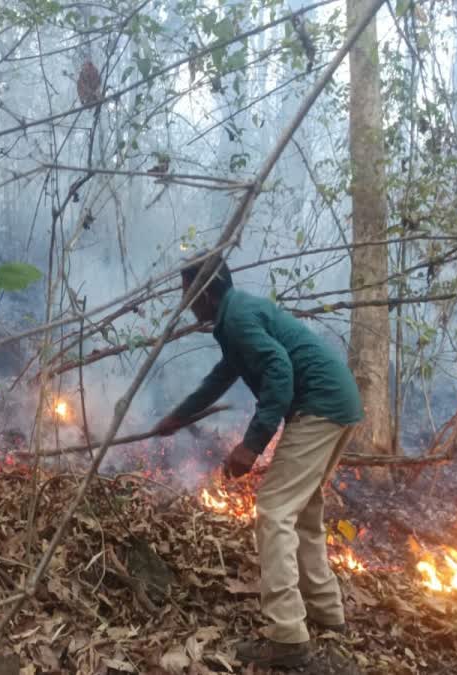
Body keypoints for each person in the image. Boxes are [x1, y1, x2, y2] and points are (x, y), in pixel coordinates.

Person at [154, 252, 363, 669]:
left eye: (188, 294)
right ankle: (326, 611)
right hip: (340, 403)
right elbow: (220, 377)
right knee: (304, 510)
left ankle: (288, 638)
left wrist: (252, 445)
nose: (185, 303)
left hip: (320, 406)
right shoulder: (235, 315)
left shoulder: (237, 318)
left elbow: (280, 371)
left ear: (207, 294)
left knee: (273, 510)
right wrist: (181, 415)